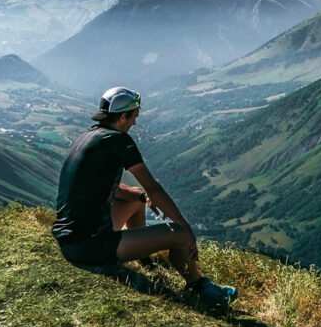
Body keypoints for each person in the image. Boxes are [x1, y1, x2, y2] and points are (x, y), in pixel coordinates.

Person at [53, 86, 237, 308]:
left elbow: (111, 189)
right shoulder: (120, 141)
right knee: (179, 234)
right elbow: (154, 188)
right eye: (133, 117)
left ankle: (143, 257)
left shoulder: (89, 136)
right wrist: (186, 228)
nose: (134, 123)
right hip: (92, 246)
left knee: (134, 200)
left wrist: (140, 197)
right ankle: (198, 287)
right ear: (123, 116)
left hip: (69, 241)